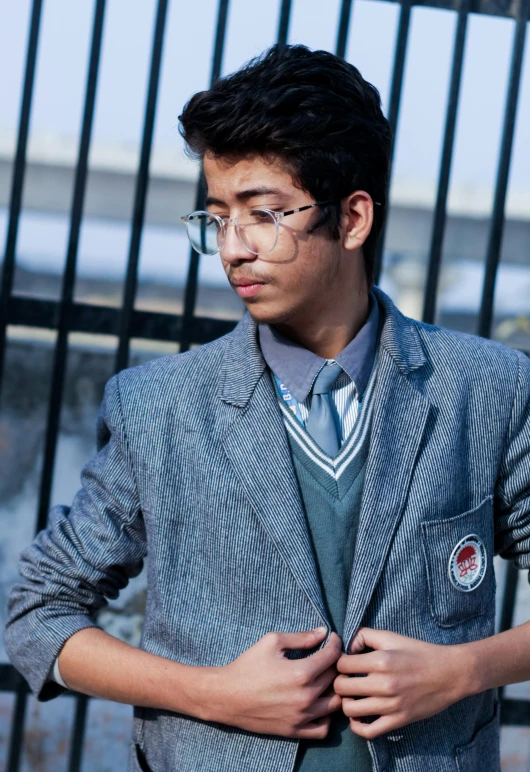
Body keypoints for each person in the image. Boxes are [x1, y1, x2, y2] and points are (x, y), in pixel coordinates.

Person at [4, 44, 530, 772]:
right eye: (217, 217)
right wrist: (212, 694)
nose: (234, 248)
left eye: (265, 214)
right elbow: (34, 614)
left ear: (351, 219)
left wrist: (465, 671)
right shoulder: (160, 407)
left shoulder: (485, 389)